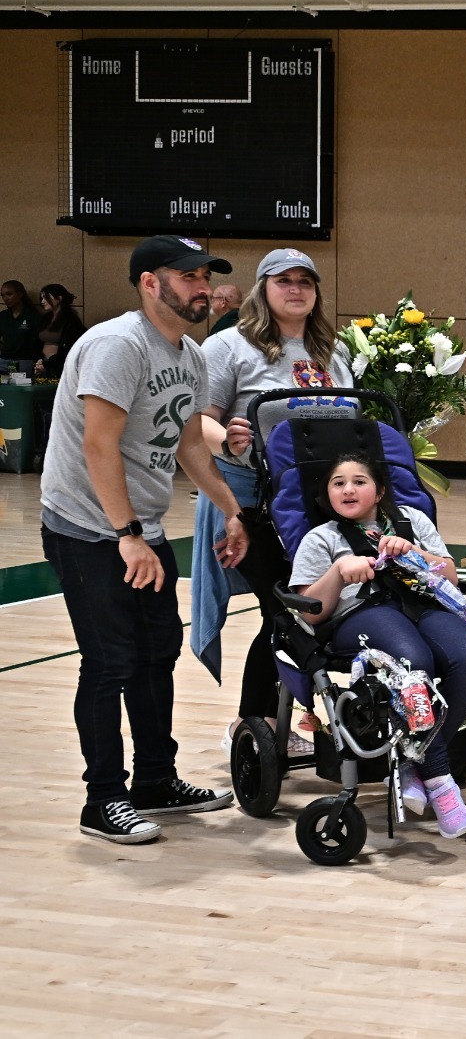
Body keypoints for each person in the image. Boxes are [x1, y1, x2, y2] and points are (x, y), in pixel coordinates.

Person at [42, 235, 248, 844]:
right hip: (88, 527)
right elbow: (98, 445)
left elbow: (187, 444)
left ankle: (155, 779)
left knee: (158, 654)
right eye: (188, 276)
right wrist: (126, 535)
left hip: (142, 528)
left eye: (206, 275)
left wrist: (231, 510)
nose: (202, 286)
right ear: (149, 283)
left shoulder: (189, 354)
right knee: (110, 661)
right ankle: (102, 798)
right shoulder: (116, 345)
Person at [195, 248, 354, 755]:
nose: (295, 289)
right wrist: (229, 440)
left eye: (305, 281)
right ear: (262, 288)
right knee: (283, 609)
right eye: (282, 280)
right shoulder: (228, 347)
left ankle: (284, 718)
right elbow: (196, 421)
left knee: (308, 611)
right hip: (249, 499)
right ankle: (254, 723)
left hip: (316, 503)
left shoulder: (332, 350)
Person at [290, 453, 466, 837]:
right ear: (327, 493)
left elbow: (449, 574)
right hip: (360, 616)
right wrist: (338, 572)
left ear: (380, 490)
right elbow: (312, 613)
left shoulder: (412, 520)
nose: (349, 488)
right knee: (414, 662)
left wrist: (416, 553)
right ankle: (440, 782)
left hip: (423, 605)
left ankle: (412, 765)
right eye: (338, 482)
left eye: (360, 481)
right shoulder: (323, 538)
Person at [36, 283, 86, 379]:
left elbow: (67, 349)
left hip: (59, 366)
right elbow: (37, 341)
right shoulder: (45, 319)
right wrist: (39, 360)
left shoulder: (71, 320)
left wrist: (48, 364)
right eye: (41, 298)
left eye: (46, 298)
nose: (43, 301)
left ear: (59, 298)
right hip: (43, 363)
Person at [0, 279, 44, 361]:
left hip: (25, 360)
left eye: (9, 294)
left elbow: (40, 341)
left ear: (20, 294)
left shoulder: (32, 316)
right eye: (2, 295)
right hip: (5, 358)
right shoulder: (3, 315)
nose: (5, 298)